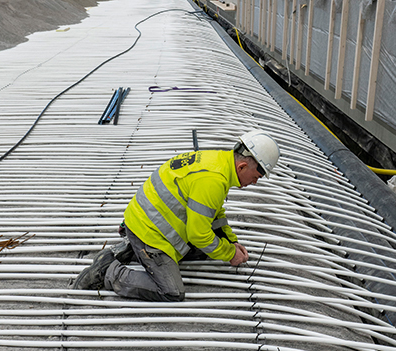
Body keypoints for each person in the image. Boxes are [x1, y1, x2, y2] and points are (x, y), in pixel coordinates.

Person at [73, 129, 279, 301]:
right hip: (149, 234)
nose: (255, 182)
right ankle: (108, 273)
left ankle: (128, 250)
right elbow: (198, 235)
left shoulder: (218, 162)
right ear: (242, 166)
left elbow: (214, 212)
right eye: (256, 177)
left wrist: (231, 242)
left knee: (211, 246)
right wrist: (229, 254)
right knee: (171, 292)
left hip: (143, 221)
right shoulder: (213, 181)